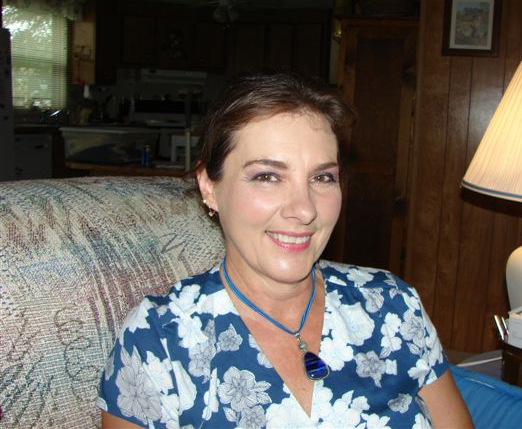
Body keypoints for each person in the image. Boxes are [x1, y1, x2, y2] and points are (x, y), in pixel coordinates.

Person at [98, 71, 473, 428]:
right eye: (268, 176)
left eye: (322, 177)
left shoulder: (392, 305)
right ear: (209, 187)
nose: (305, 209)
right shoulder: (159, 341)